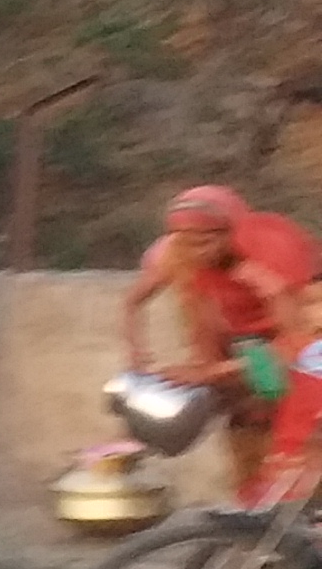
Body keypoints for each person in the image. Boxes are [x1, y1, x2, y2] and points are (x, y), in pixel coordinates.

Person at [123, 183, 322, 502]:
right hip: (252, 342)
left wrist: (211, 373)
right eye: (189, 242)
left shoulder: (271, 251)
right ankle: (255, 517)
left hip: (304, 327)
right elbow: (141, 303)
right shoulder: (176, 256)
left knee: (299, 426)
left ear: (233, 232)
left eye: (208, 240)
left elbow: (295, 341)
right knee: (246, 420)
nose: (199, 250)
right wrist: (138, 354)